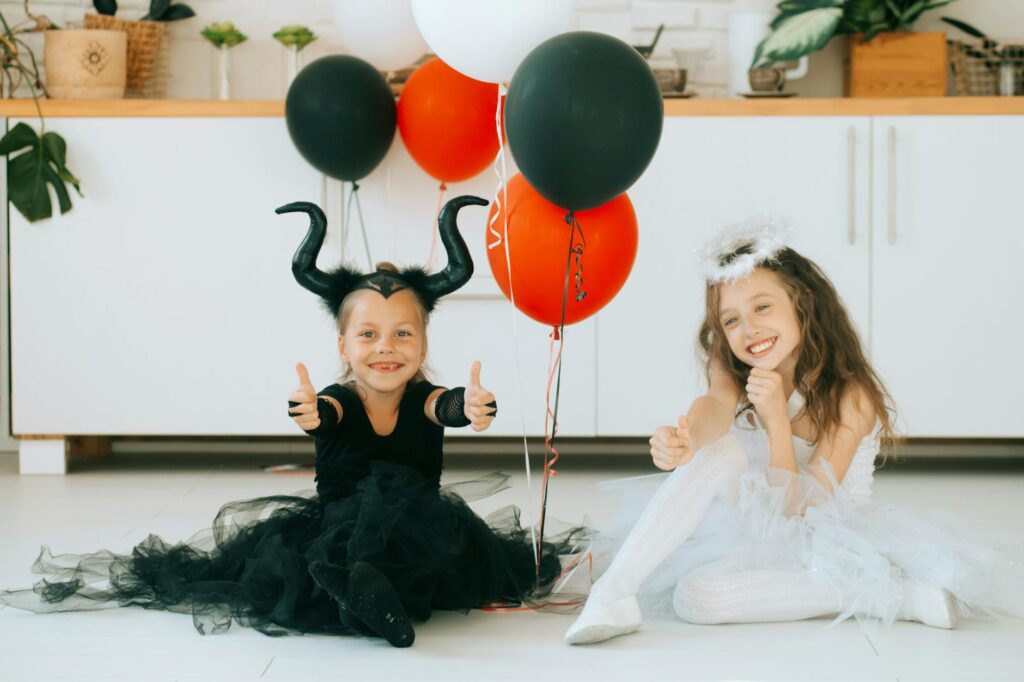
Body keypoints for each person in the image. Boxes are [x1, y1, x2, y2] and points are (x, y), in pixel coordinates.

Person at [0, 195, 576, 648]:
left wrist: (472, 407)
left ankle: (372, 597)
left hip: (422, 522)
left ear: (423, 344)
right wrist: (309, 411)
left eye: (404, 333)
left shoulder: (423, 394)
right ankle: (359, 593)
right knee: (339, 548)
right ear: (344, 345)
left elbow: (443, 406)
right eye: (368, 335)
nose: (387, 348)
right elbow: (323, 415)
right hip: (338, 520)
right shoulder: (341, 397)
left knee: (417, 546)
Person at [566, 221, 1023, 645]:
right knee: (717, 462)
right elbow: (714, 409)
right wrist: (686, 438)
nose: (749, 330)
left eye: (762, 307)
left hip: (821, 536)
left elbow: (798, 515)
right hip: (752, 526)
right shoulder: (732, 367)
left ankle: (892, 594)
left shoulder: (851, 395)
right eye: (731, 320)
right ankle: (614, 592)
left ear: (802, 304)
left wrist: (777, 424)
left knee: (701, 600)